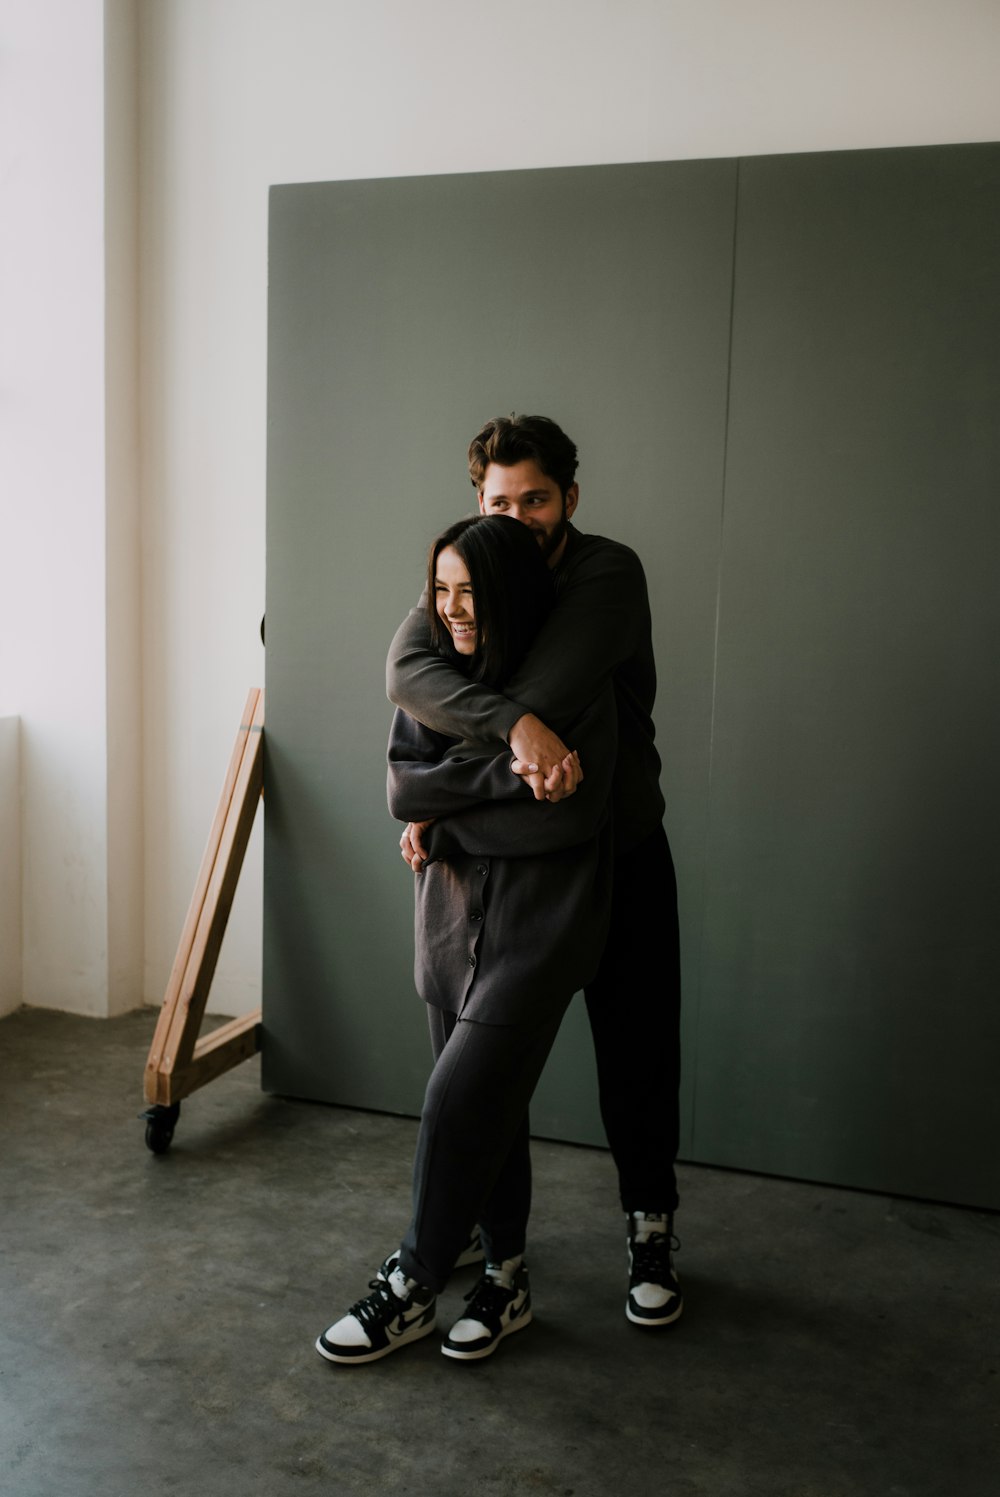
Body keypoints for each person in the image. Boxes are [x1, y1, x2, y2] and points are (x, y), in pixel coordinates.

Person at [386, 415, 683, 1330]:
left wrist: (440, 793)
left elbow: (547, 699)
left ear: (571, 498)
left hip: (620, 848)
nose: (518, 518)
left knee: (636, 1059)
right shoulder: (465, 575)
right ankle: (495, 1252)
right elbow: (408, 671)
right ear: (477, 500)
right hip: (510, 862)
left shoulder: (604, 573)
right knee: (486, 1064)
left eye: (537, 499)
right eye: (499, 501)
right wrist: (504, 741)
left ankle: (650, 1233)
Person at [316, 515, 616, 1364]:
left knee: (459, 1099)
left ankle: (412, 1283)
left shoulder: (573, 684)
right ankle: (507, 1277)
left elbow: (570, 817)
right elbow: (403, 788)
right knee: (493, 1109)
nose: (453, 609)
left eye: (470, 592)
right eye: (441, 590)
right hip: (448, 923)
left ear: (511, 591)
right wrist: (493, 783)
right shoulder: (434, 678)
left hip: (539, 928)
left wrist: (449, 815)